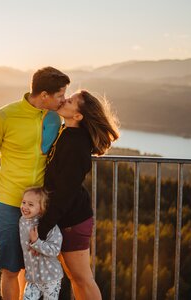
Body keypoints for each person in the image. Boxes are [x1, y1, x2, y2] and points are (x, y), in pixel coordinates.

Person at [0, 67, 70, 300]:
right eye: (60, 95)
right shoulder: (4, 116)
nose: (64, 100)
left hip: (42, 206)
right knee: (11, 268)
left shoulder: (55, 117)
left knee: (35, 267)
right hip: (10, 202)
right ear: (44, 95)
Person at [37, 90, 119, 300]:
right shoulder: (68, 133)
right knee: (75, 278)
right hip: (65, 218)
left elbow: (66, 191)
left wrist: (44, 226)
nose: (65, 100)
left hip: (73, 220)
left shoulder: (77, 144)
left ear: (78, 116)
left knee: (82, 278)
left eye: (70, 101)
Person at [19, 187, 63, 300]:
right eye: (23, 202)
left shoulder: (50, 227)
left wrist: (37, 242)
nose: (25, 207)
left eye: (30, 204)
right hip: (33, 278)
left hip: (50, 277)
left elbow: (55, 250)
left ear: (41, 208)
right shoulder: (22, 221)